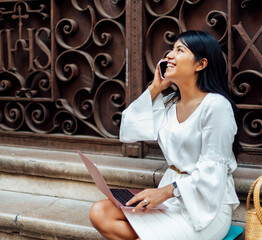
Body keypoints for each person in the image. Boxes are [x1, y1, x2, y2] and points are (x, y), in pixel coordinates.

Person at [89, 30, 241, 240]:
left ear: (201, 64)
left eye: (180, 50)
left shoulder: (216, 106)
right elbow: (129, 130)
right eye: (171, 49)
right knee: (100, 212)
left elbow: (212, 173)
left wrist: (166, 191)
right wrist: (155, 88)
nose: (169, 55)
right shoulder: (168, 103)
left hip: (206, 207)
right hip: (170, 199)